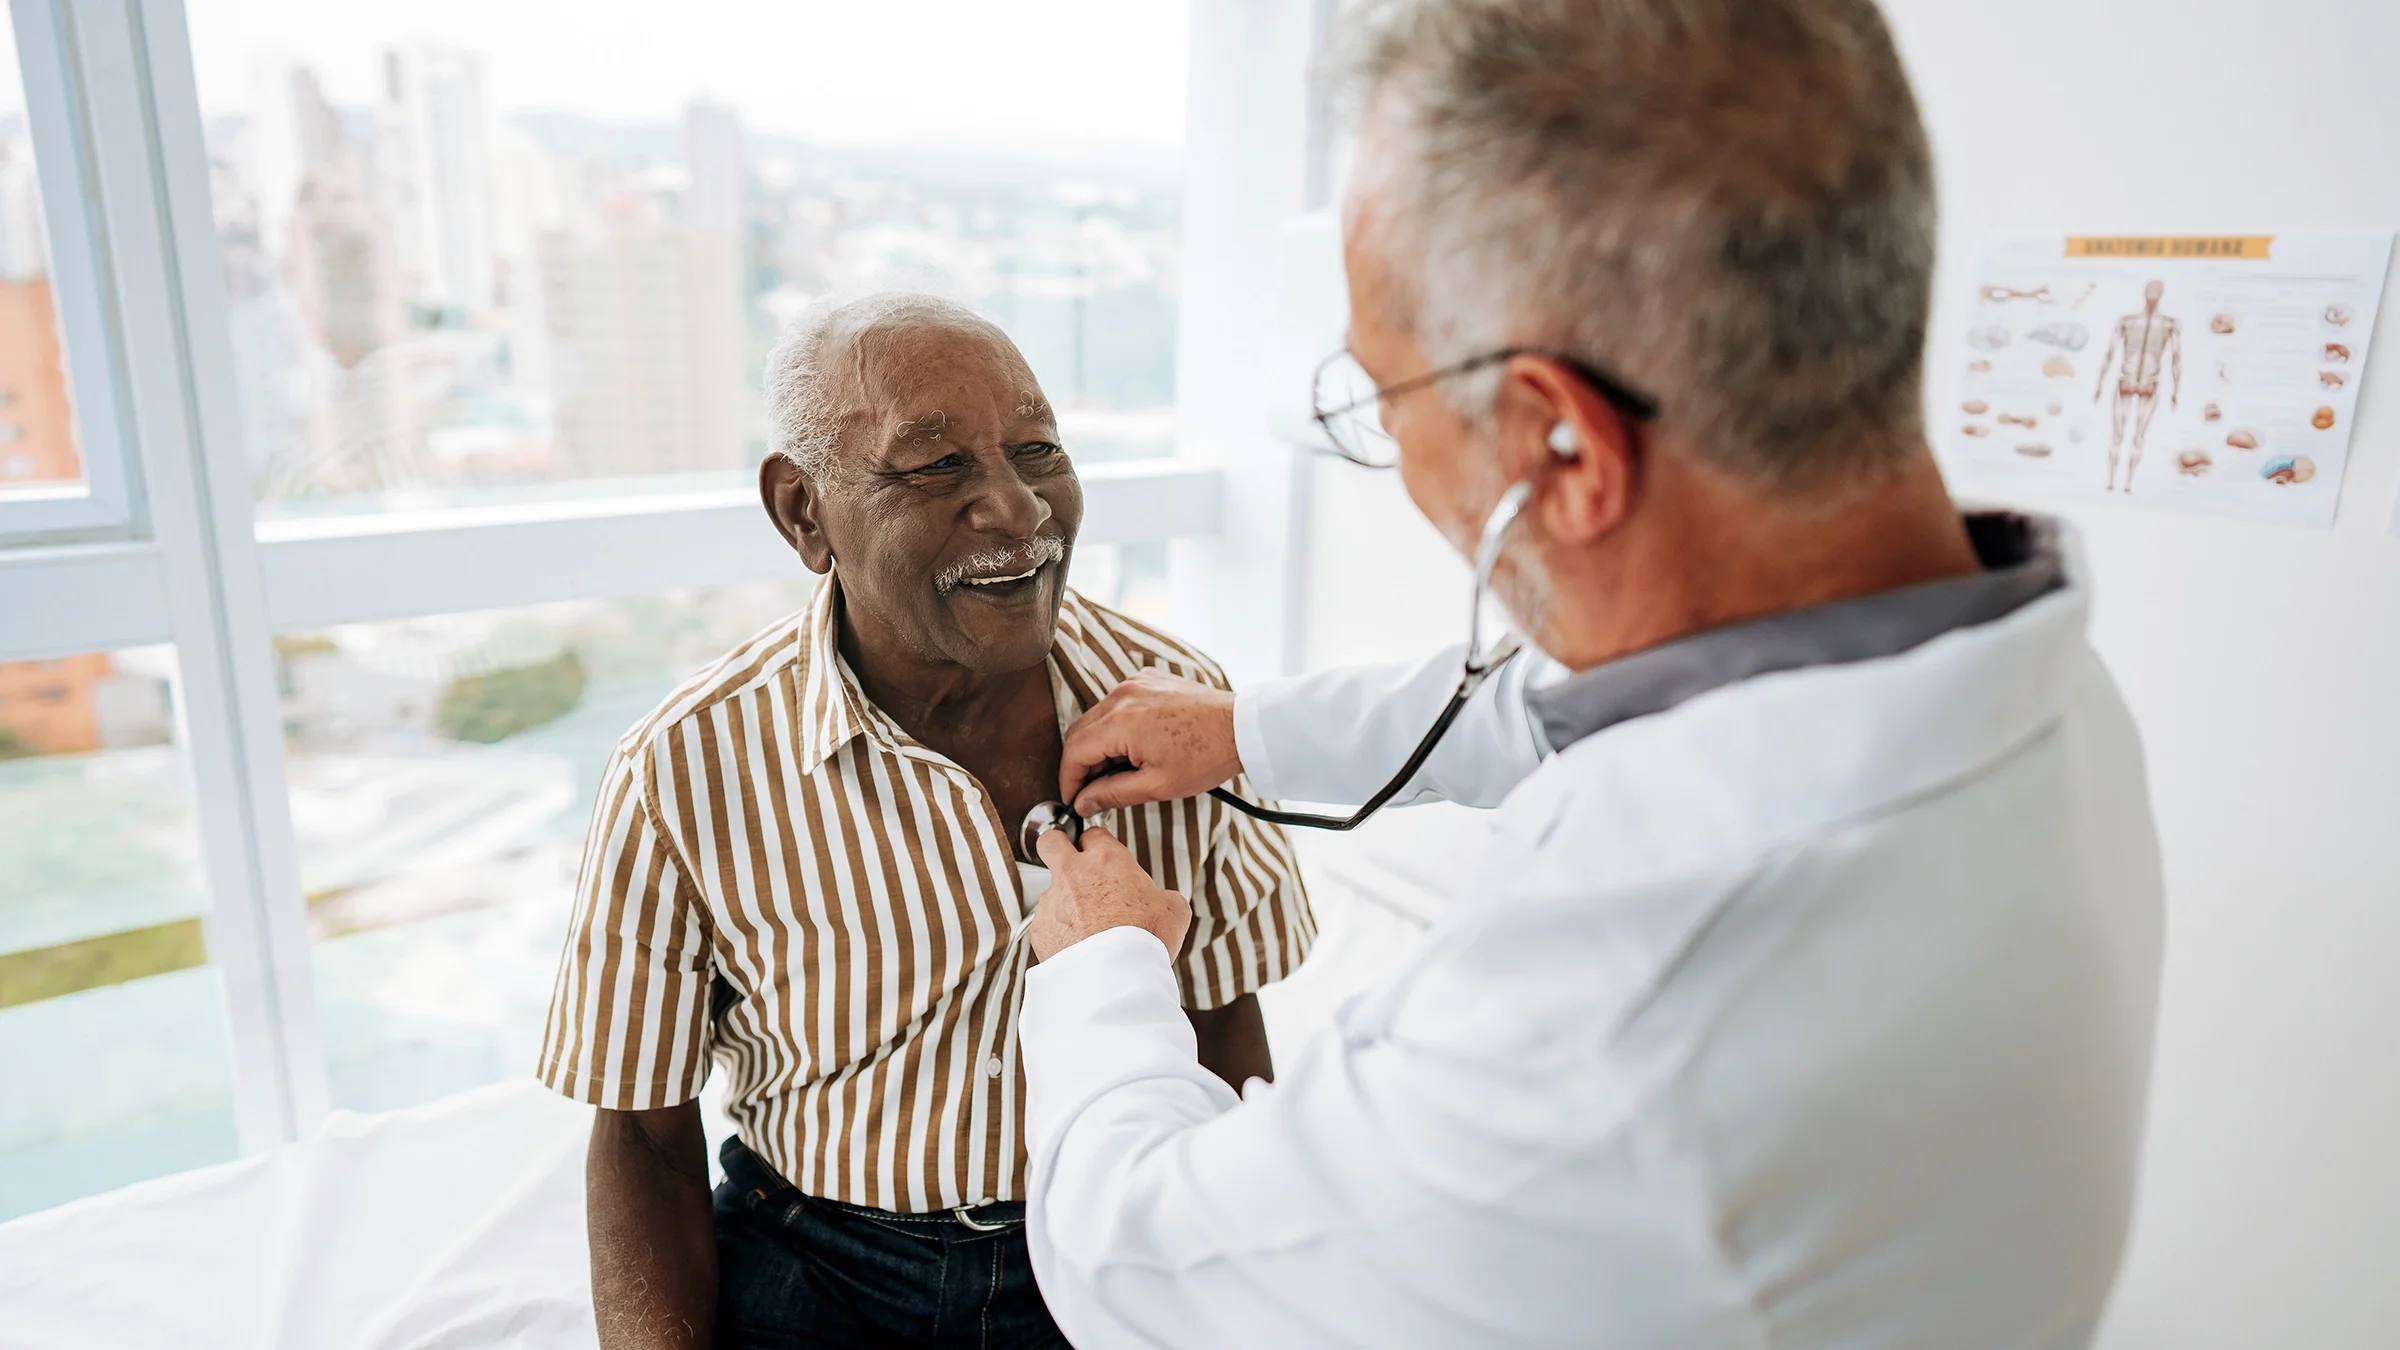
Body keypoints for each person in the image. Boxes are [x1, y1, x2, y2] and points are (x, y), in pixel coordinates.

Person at [1016, 1, 2165, 1346]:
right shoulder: (2026, 686)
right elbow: (1602, 712)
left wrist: (1103, 969)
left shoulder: (1612, 1035)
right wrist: (1255, 730)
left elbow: (1136, 1259)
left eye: (1381, 402)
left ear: (1563, 448)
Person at [536, 293, 1314, 1349]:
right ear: (802, 512)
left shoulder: (1186, 705)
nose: (1017, 509)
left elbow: (1227, 1032)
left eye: (1037, 448)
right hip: (820, 1265)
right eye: (936, 465)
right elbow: (641, 1134)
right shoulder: (684, 768)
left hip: (1100, 1240)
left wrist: (1245, 1296)